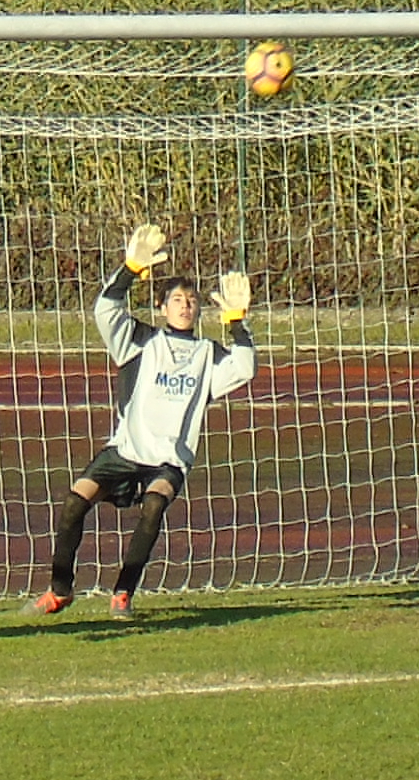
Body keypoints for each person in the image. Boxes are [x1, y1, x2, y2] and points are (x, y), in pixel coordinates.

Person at [34, 221, 257, 619]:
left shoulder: (208, 354)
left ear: (199, 309)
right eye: (177, 299)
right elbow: (106, 310)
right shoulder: (140, 341)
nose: (185, 306)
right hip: (125, 451)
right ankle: (60, 589)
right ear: (161, 307)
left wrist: (237, 322)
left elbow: (245, 367)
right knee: (73, 503)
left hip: (168, 459)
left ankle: (123, 593)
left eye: (191, 300)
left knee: (154, 505)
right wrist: (130, 269)